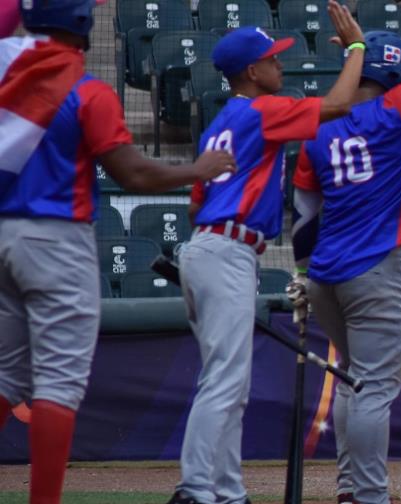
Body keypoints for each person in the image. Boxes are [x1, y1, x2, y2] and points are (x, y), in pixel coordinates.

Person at [0, 0, 236, 502]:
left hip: (1, 235)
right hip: (55, 237)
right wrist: (199, 169)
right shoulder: (87, 89)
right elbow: (133, 172)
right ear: (82, 24)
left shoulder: (4, 67)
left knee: (4, 373)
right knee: (58, 382)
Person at [168, 4, 366, 503]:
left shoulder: (222, 122)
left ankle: (228, 494)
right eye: (274, 61)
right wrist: (357, 49)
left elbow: (197, 202)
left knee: (228, 383)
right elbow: (341, 104)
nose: (282, 66)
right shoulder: (260, 109)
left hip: (209, 246)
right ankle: (194, 490)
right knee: (225, 382)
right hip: (227, 251)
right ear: (252, 72)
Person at [285, 0, 401, 502]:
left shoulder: (319, 124)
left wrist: (301, 273)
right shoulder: (396, 110)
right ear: (390, 74)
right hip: (376, 270)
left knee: (351, 382)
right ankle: (366, 496)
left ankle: (351, 490)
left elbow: (303, 214)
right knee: (372, 389)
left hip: (324, 275)